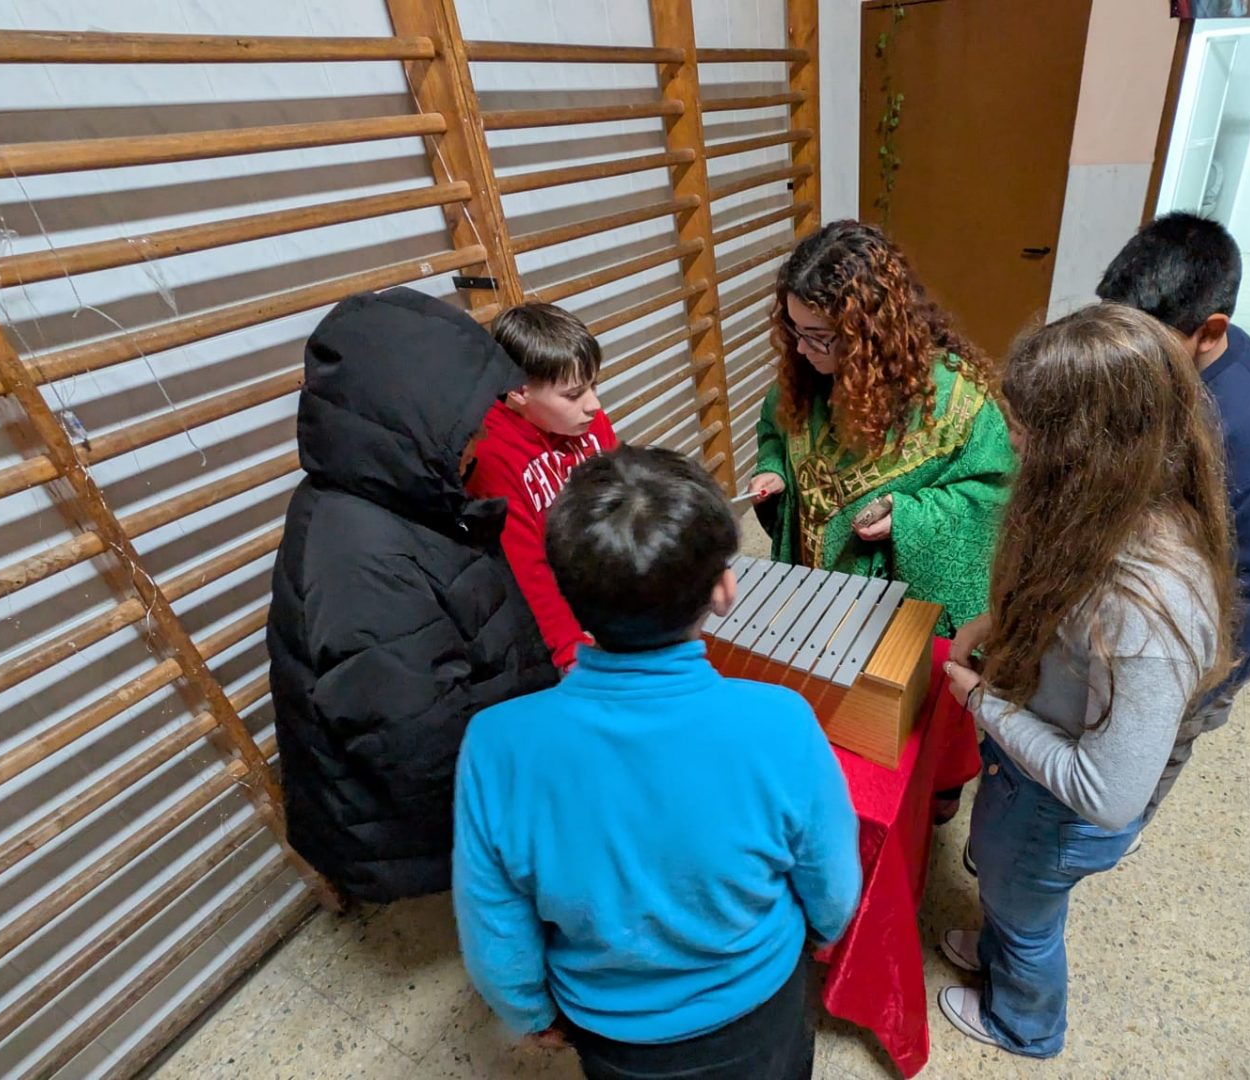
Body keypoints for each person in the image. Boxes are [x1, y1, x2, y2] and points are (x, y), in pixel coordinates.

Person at [453, 446, 862, 1080]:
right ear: (724, 589)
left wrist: (530, 1011)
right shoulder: (781, 720)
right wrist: (819, 934)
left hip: (612, 1036)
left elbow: (493, 924)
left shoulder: (493, 745)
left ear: (567, 592)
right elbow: (832, 886)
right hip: (760, 1010)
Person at [936, 304, 1238, 1057]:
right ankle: (1002, 941)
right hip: (1030, 785)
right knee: (1008, 892)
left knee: (1029, 915)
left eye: (1023, 436)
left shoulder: (1149, 611)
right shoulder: (1108, 511)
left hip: (1058, 813)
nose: (1010, 445)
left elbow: (1107, 795)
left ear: (1083, 453)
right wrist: (997, 625)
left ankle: (1025, 1022)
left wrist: (981, 701)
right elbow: (1062, 601)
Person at [267, 287, 557, 904]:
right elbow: (421, 746)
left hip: (472, 753)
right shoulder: (359, 562)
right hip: (418, 811)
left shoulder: (389, 488)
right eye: (467, 426)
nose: (483, 436)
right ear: (410, 424)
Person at [1095, 212, 1250, 814]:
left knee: (1143, 758)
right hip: (1136, 604)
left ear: (1210, 330)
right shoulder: (1163, 365)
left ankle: (1114, 834)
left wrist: (1171, 675)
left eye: (1146, 340)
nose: (1127, 353)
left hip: (1195, 650)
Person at [749, 219, 1013, 640]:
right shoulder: (804, 376)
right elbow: (774, 431)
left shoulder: (954, 399)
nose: (799, 347)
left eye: (817, 336)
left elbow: (994, 496)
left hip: (891, 607)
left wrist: (908, 519)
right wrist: (774, 470)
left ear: (868, 333)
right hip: (811, 584)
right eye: (794, 330)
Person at [465, 302, 619, 672]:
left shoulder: (589, 421)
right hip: (553, 616)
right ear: (518, 391)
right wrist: (569, 650)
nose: (594, 405)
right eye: (574, 394)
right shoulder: (491, 454)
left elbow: (621, 497)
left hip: (602, 588)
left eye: (594, 385)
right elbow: (527, 568)